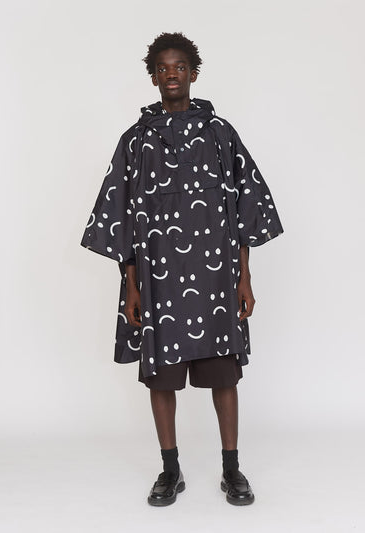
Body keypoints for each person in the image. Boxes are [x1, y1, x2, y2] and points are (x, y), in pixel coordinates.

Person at [80, 32, 284, 507]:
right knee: (161, 377)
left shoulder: (221, 135)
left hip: (216, 280)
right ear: (153, 77)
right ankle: (170, 469)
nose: (171, 74)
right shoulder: (135, 142)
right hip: (157, 280)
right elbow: (122, 215)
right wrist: (131, 286)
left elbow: (244, 209)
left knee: (225, 376)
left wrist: (244, 277)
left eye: (179, 67)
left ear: (193, 73)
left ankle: (231, 468)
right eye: (162, 68)